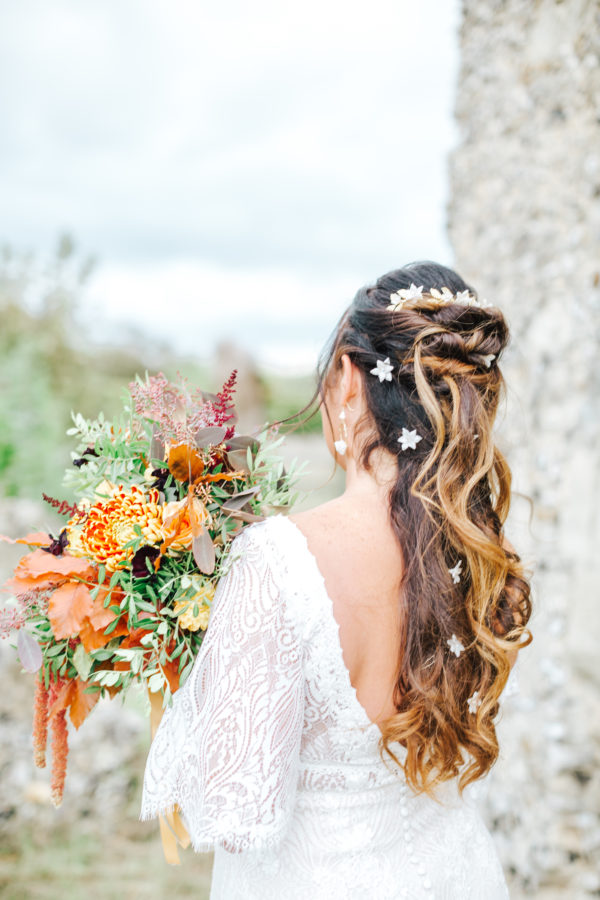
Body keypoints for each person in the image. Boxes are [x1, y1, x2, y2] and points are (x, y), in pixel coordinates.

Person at [141, 261, 532, 899]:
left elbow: (234, 810)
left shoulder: (277, 562)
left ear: (348, 380)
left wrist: (193, 661)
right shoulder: (481, 555)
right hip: (458, 877)